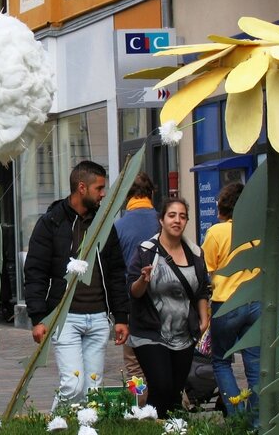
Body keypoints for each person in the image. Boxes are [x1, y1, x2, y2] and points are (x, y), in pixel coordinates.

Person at [24, 160, 130, 407]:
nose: (104, 194)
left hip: (98, 318)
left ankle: (84, 428)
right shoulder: (51, 223)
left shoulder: (104, 225)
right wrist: (39, 317)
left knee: (92, 390)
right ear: (82, 188)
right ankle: (57, 424)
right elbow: (35, 272)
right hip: (65, 318)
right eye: (99, 188)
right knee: (73, 385)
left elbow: (116, 272)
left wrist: (121, 316)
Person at [128, 198, 209, 418]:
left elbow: (202, 289)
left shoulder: (195, 253)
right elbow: (133, 291)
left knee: (174, 392)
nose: (177, 220)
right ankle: (150, 423)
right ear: (161, 220)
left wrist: (204, 319)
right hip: (150, 331)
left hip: (183, 333)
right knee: (161, 385)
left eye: (182, 216)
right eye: (172, 215)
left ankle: (164, 426)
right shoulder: (146, 251)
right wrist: (143, 280)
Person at [201, 182, 260, 418]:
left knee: (221, 362)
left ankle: (236, 417)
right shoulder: (256, 231)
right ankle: (256, 421)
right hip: (255, 302)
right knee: (255, 367)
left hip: (226, 303)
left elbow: (206, 268)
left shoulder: (216, 232)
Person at [114, 171, 159, 401]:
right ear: (151, 194)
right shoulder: (165, 221)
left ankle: (140, 406)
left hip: (132, 305)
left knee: (134, 365)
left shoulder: (119, 227)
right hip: (164, 303)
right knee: (167, 361)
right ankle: (176, 410)